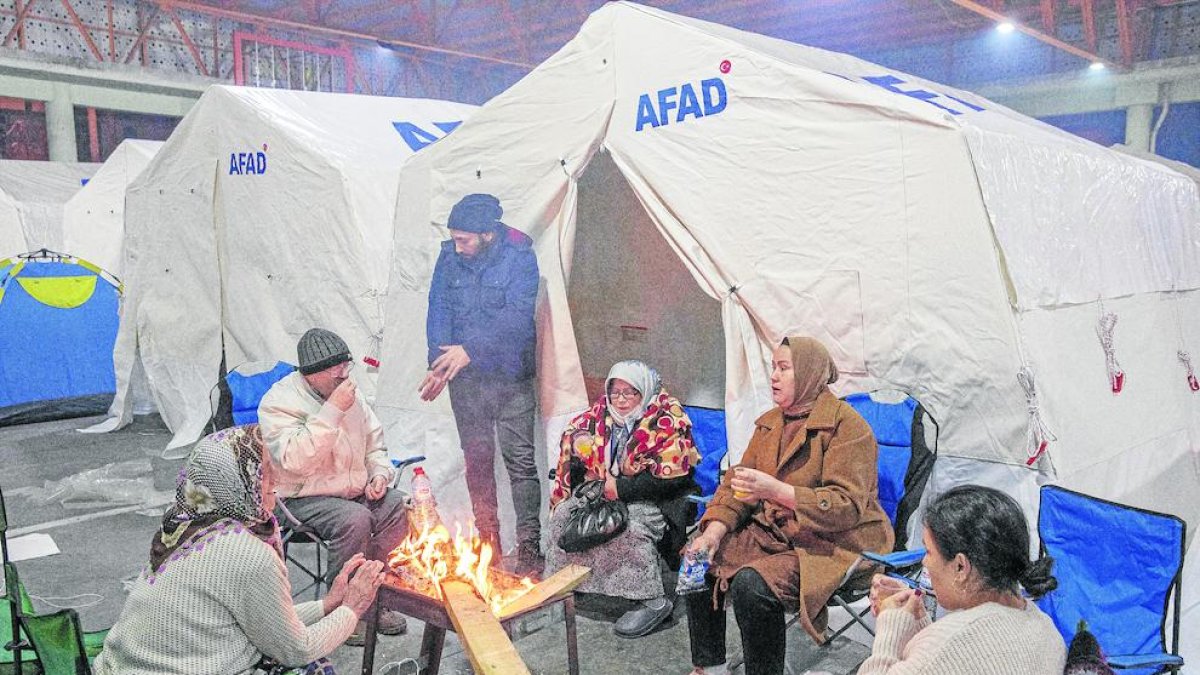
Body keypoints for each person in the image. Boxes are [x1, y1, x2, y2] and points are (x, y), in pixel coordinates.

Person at [94, 425, 386, 675]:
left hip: (118, 666)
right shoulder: (246, 552)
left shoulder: (183, 526)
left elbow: (265, 621)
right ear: (240, 482)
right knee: (313, 666)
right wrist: (353, 607)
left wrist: (327, 605)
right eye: (265, 476)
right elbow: (296, 649)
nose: (276, 485)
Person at [685, 336, 894, 675]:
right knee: (695, 560)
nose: (774, 376)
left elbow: (846, 507)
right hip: (777, 533)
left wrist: (777, 490)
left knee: (752, 586)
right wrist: (712, 533)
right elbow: (737, 486)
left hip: (832, 543)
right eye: (773, 368)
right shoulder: (770, 423)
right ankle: (711, 667)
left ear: (810, 374)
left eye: (784, 368)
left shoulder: (849, 429)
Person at [418, 192, 542, 576]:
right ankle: (488, 541)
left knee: (520, 463)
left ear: (487, 235)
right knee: (476, 462)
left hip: (510, 379)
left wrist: (470, 349)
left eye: (464, 239)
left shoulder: (520, 255)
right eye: (454, 238)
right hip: (467, 384)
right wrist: (439, 365)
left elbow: (519, 318)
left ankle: (529, 546)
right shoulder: (449, 255)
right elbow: (438, 309)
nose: (458, 246)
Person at [258, 328, 408, 643]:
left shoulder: (351, 395)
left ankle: (374, 601)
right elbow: (295, 461)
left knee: (397, 504)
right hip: (299, 498)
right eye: (335, 373)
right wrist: (333, 410)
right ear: (310, 375)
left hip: (349, 492)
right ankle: (343, 610)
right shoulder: (279, 402)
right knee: (354, 519)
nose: (344, 377)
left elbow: (375, 447)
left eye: (346, 368)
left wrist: (379, 473)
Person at [546, 360, 700, 638]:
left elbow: (675, 479)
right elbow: (576, 463)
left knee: (629, 529)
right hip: (604, 491)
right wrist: (587, 469)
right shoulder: (597, 418)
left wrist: (622, 489)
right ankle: (568, 583)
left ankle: (653, 601)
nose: (621, 400)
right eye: (615, 392)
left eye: (630, 393)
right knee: (563, 517)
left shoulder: (666, 421)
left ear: (645, 391)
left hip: (653, 499)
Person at [861, 485, 1066, 674]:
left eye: (929, 552)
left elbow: (945, 654)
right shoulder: (1046, 629)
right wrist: (921, 623)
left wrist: (889, 628)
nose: (924, 562)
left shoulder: (949, 642)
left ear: (961, 566)